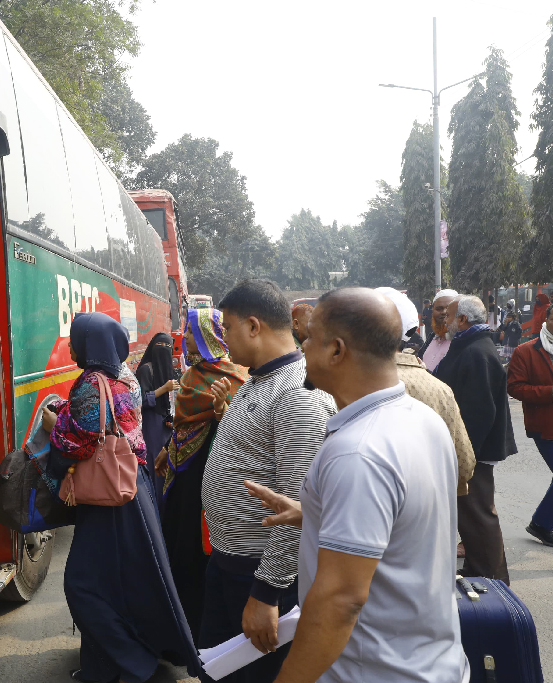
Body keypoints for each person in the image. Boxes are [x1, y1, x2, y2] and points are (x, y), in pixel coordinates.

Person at [245, 287, 467, 683]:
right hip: (432, 662)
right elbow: (406, 524)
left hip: (375, 672)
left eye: (310, 336)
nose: (302, 345)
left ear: (337, 350)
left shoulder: (358, 452)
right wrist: (315, 514)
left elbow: (339, 602)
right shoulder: (422, 418)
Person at [40, 312, 203, 683]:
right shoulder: (125, 377)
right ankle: (112, 663)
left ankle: (130, 661)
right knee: (133, 581)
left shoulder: (89, 384)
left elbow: (71, 443)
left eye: (75, 341)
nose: (71, 347)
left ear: (89, 346)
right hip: (135, 490)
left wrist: (53, 426)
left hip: (107, 502)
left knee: (84, 586)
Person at [197, 279, 334, 682]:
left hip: (258, 572)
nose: (222, 341)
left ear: (254, 326)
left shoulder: (298, 394)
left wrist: (266, 592)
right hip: (230, 561)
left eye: (227, 329)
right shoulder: (258, 380)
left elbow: (297, 506)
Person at [153, 308, 248, 641]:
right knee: (180, 544)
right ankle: (178, 626)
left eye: (191, 332)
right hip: (183, 474)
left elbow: (242, 431)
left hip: (210, 477)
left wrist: (223, 411)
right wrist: (168, 447)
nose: (186, 338)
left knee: (200, 550)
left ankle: (199, 628)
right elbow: (182, 425)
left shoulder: (238, 378)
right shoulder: (192, 375)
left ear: (208, 335)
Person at [434, 295, 516, 584]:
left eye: (451, 315)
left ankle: (492, 578)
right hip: (468, 449)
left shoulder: (476, 351)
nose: (446, 320)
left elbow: (481, 410)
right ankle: (480, 571)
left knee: (479, 514)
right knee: (471, 515)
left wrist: (466, 456)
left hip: (473, 451)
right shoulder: (469, 346)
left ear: (463, 320)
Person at [377, 288, 475, 496]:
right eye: (439, 309)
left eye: (448, 311)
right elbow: (464, 465)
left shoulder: (347, 385)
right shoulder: (439, 387)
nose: (443, 315)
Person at [507, 304, 553, 546]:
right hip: (544, 426)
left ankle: (542, 523)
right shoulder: (525, 351)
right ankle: (541, 523)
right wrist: (550, 393)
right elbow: (515, 387)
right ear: (548, 318)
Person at [136, 332, 178, 502]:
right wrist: (164, 388)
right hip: (151, 425)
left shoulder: (168, 369)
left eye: (167, 347)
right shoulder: (146, 369)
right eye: (160, 346)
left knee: (167, 468)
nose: (163, 351)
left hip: (165, 425)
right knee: (154, 467)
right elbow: (140, 401)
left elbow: (170, 402)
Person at [418, 289, 458, 371]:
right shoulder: (432, 337)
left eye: (448, 308)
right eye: (439, 309)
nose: (444, 312)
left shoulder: (461, 342)